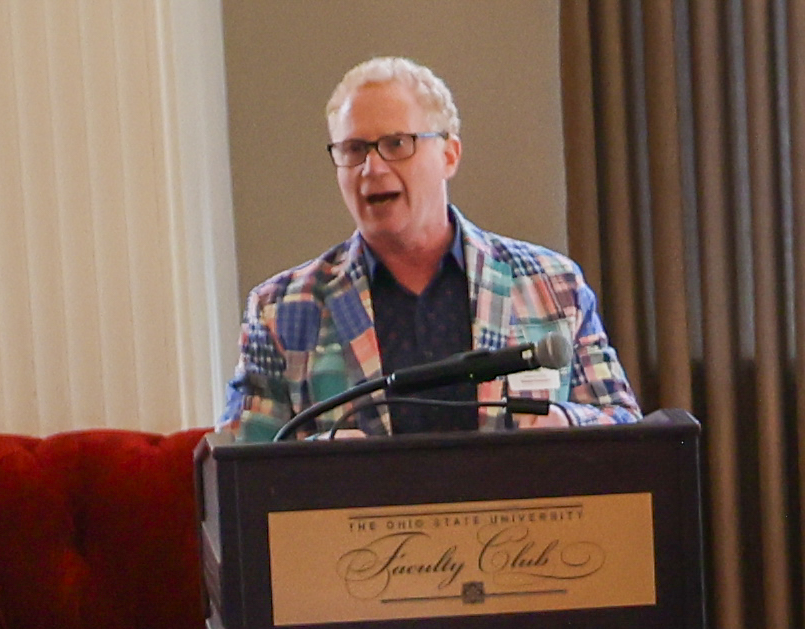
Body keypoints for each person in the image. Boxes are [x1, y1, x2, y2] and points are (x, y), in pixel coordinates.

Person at [217, 56, 642, 442]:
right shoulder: (281, 310)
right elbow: (240, 466)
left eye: (397, 144)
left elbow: (625, 425)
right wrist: (318, 456)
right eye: (353, 149)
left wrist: (568, 423)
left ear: (449, 154)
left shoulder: (553, 285)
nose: (373, 168)